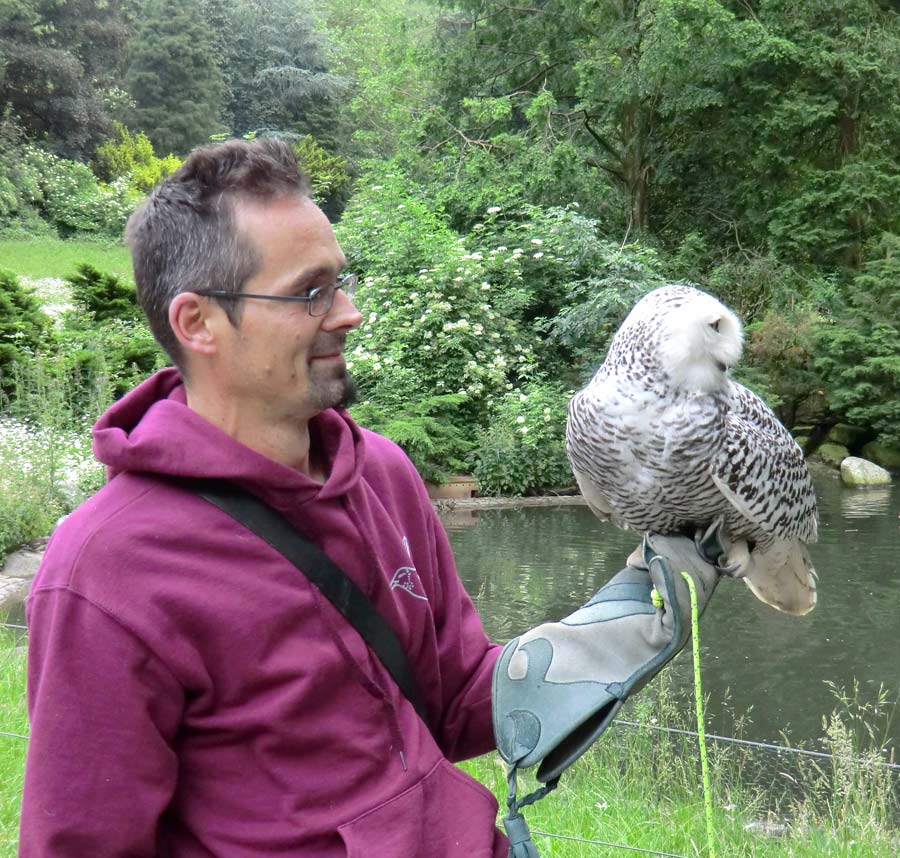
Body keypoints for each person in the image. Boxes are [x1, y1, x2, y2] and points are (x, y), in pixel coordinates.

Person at [19, 137, 721, 858]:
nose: (348, 312)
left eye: (341, 282)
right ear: (197, 323)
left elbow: (451, 699)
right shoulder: (107, 569)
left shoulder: (380, 472)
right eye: (309, 292)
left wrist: (634, 613)